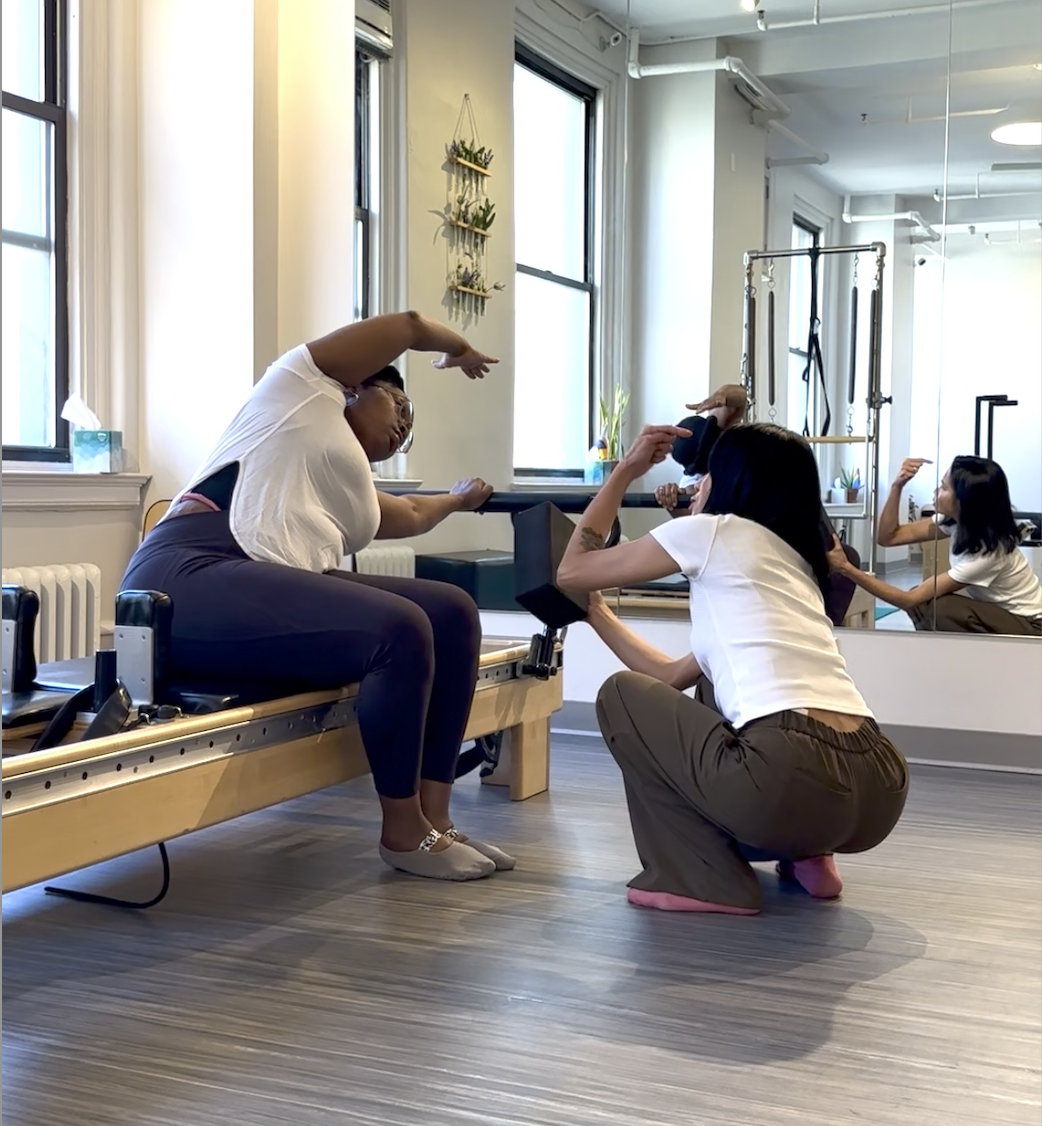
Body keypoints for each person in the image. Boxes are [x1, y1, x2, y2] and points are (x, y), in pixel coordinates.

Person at [121, 310, 515, 882]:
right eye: (399, 406)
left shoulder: (342, 483)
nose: (405, 424)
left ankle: (434, 820)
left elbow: (406, 512)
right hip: (187, 573)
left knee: (451, 611)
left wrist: (457, 499)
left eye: (411, 423)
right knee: (400, 628)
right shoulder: (299, 389)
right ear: (357, 386)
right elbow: (405, 324)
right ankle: (402, 831)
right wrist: (459, 349)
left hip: (256, 584)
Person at [556, 421, 909, 915]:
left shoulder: (710, 532)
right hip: (879, 782)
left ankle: (704, 879)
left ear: (728, 482)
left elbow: (571, 571)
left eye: (707, 474)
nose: (698, 483)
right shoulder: (795, 565)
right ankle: (808, 854)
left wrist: (625, 470)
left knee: (619, 696)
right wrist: (597, 613)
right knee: (710, 697)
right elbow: (668, 677)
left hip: (790, 775)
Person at [652, 384, 862, 628]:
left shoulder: (745, 462)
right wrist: (670, 502)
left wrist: (728, 395)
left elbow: (738, 400)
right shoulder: (696, 487)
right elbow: (691, 529)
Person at [830, 455, 1042, 635]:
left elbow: (908, 600)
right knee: (928, 601)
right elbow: (888, 537)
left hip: (1031, 625)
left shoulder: (989, 554)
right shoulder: (956, 522)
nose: (936, 491)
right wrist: (898, 485)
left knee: (937, 607)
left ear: (963, 502)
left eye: (943, 488)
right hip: (1002, 614)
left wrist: (846, 568)